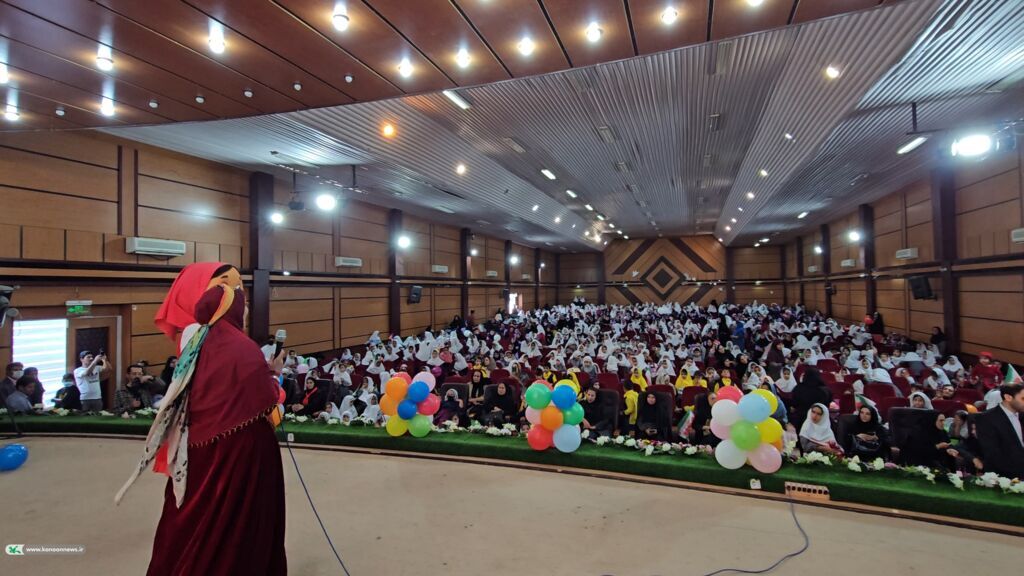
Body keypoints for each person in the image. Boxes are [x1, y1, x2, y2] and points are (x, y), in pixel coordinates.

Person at [115, 262, 286, 575]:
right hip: (240, 448)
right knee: (240, 519)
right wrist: (273, 375)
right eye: (237, 295)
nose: (244, 305)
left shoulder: (192, 342)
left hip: (195, 446)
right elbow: (265, 398)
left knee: (192, 514)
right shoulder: (242, 348)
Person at [975, 382, 1024, 480]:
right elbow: (993, 454)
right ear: (1008, 397)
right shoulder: (986, 418)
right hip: (1005, 478)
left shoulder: (1022, 415)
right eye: (1023, 398)